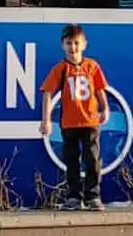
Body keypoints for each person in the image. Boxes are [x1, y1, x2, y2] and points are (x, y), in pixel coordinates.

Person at [39, 23, 109, 210]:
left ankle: (93, 196)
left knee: (93, 160)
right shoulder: (61, 69)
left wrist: (105, 108)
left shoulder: (92, 66)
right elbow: (47, 92)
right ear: (63, 45)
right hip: (69, 123)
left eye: (76, 43)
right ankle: (74, 197)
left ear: (84, 44)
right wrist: (46, 120)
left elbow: (100, 89)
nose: (73, 48)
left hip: (90, 121)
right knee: (72, 162)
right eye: (69, 43)